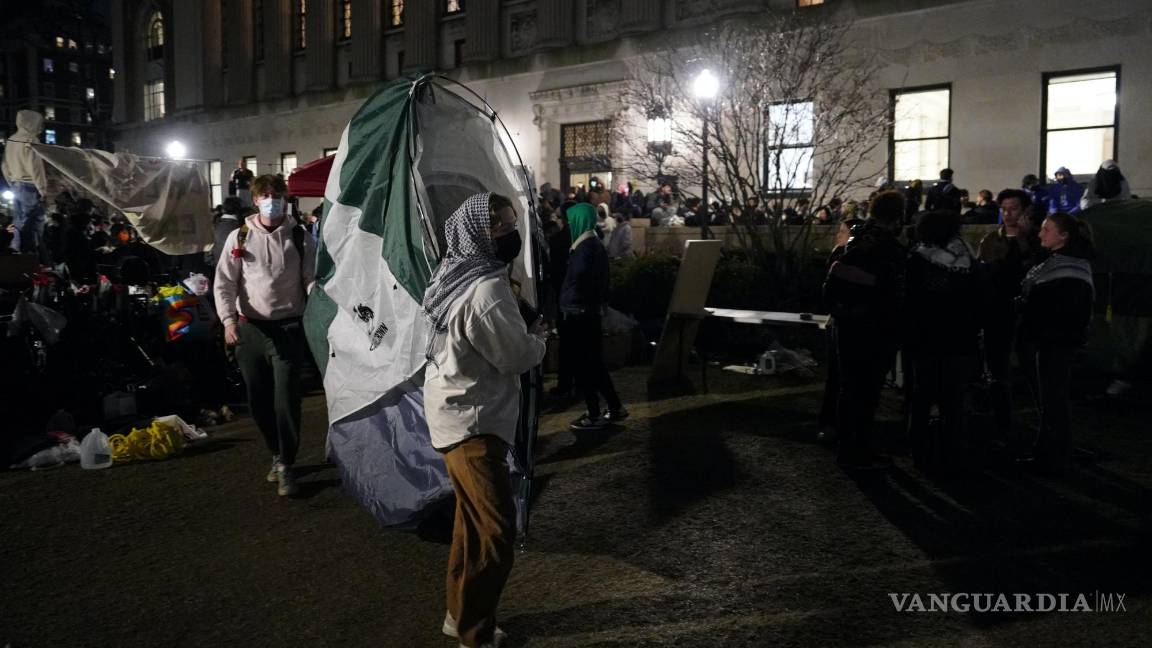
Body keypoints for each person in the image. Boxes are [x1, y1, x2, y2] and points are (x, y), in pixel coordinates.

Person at [421, 192, 547, 648]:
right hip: (473, 424)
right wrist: (538, 340)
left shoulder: (453, 274)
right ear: (481, 232)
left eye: (513, 224)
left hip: (451, 414)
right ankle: (474, 632)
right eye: (502, 226)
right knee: (496, 532)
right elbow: (514, 356)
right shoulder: (487, 289)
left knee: (470, 525)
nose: (512, 234)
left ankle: (459, 614)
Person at [214, 174, 317, 497]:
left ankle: (286, 462)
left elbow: (311, 278)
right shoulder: (239, 238)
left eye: (278, 194)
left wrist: (317, 303)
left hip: (288, 329)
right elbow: (225, 283)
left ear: (285, 199)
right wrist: (229, 322)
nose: (272, 200)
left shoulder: (299, 237)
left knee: (286, 397)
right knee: (258, 401)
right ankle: (276, 453)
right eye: (266, 195)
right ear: (255, 200)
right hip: (250, 329)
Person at [823, 190, 907, 468]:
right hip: (876, 328)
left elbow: (830, 278)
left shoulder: (851, 239)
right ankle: (861, 449)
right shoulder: (891, 249)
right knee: (869, 391)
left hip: (845, 324)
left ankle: (846, 448)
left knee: (848, 388)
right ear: (897, 218)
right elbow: (895, 293)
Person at [1017, 212, 1094, 476]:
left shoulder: (1065, 269)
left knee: (1053, 401)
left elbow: (1055, 311)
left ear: (1064, 236)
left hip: (1055, 342)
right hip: (1054, 341)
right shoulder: (1064, 264)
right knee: (1052, 400)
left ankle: (1055, 458)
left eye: (1046, 230)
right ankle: (1049, 452)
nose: (1040, 234)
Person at [904, 210, 981, 473]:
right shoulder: (967, 259)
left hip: (925, 340)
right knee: (954, 401)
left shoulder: (916, 259)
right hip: (960, 340)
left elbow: (909, 300)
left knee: (922, 397)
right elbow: (979, 300)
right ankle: (954, 453)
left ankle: (920, 452)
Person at [977, 189, 1039, 452]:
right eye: (1004, 208)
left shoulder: (1037, 239)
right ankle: (1002, 425)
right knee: (998, 370)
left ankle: (1043, 425)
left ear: (1025, 211)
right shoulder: (991, 239)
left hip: (1028, 315)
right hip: (996, 313)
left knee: (1032, 368)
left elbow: (1035, 270)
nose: (1008, 213)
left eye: (1014, 208)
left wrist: (1024, 241)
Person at [563, 202, 628, 430]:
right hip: (588, 313)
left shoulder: (585, 248)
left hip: (580, 314)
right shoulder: (592, 245)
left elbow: (580, 282)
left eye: (571, 221)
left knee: (584, 365)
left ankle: (593, 413)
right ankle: (615, 406)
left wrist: (570, 303)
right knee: (594, 363)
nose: (568, 224)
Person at [818, 217, 864, 442]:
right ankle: (834, 425)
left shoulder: (845, 255)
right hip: (839, 322)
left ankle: (833, 424)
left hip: (838, 321)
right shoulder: (842, 254)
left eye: (843, 231)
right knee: (838, 377)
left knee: (838, 378)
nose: (838, 234)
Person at [2, 110, 48, 260]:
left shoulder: (11, 140)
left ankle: (16, 251)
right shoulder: (31, 140)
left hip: (16, 184)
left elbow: (4, 165)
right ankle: (31, 256)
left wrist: (11, 181)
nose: (40, 127)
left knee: (18, 221)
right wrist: (42, 189)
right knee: (33, 223)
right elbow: (35, 167)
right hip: (30, 186)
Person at [211, 196, 247, 270]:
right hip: (235, 269)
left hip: (217, 267)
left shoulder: (213, 225)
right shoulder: (242, 229)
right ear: (239, 210)